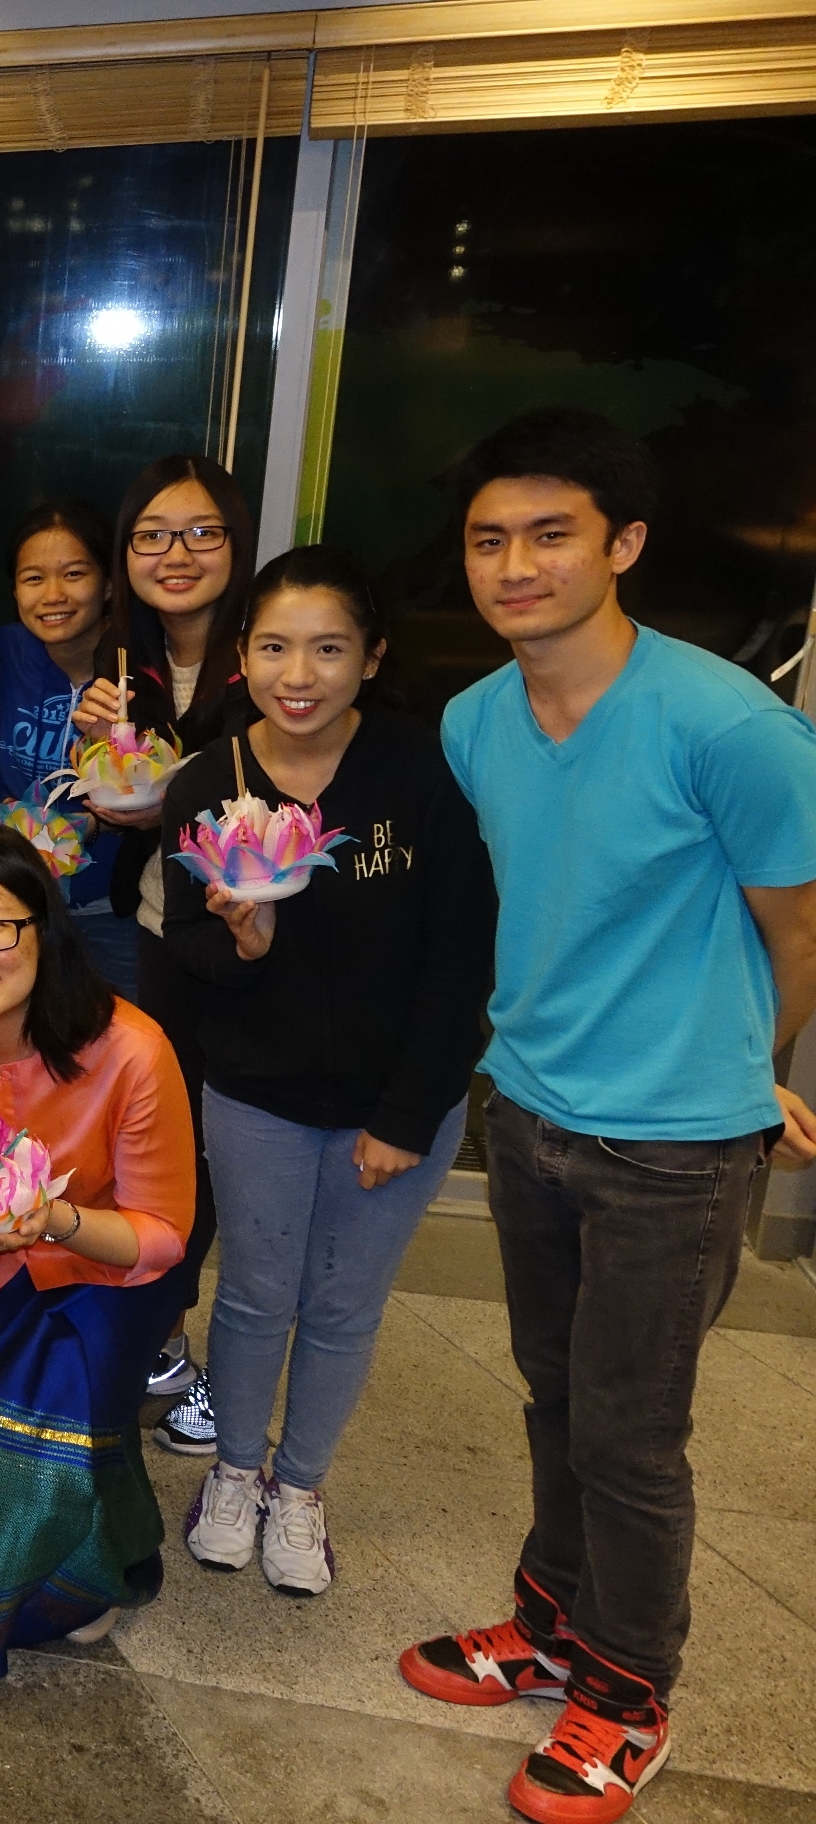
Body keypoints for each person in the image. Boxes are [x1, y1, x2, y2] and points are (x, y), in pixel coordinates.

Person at [400, 408, 816, 1824]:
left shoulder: (728, 724)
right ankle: (550, 1624)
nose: (515, 564)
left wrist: (752, 1073)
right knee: (559, 1396)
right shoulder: (473, 721)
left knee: (633, 1435)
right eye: (488, 539)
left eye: (551, 534)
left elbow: (798, 928)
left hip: (675, 1145)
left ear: (623, 545)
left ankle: (628, 1693)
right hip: (525, 1109)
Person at [160, 547, 495, 1597]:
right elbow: (188, 951)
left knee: (345, 1304)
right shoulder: (207, 782)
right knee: (257, 1295)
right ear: (241, 656)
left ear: (372, 656)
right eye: (272, 646)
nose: (297, 674)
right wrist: (244, 948)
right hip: (255, 1095)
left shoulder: (421, 767)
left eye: (328, 648)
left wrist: (407, 1112)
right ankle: (236, 1473)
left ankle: (300, 1489)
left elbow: (461, 957)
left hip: (399, 1105)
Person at [0, 824, 194, 1700]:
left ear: (41, 929)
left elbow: (163, 1231)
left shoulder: (131, 1050)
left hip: (103, 1270)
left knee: (58, 1435)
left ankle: (93, 1565)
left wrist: (50, 1221)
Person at [66, 455, 261, 1448]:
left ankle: (237, 1369)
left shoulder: (267, 654)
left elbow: (263, 791)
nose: (176, 554)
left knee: (243, 1155)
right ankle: (164, 1336)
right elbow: (119, 801)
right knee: (166, 1143)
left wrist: (163, 769)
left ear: (236, 542)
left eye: (201, 533)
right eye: (151, 536)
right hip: (159, 929)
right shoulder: (123, 661)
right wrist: (88, 753)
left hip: (259, 941)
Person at [0, 500, 139, 993]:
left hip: (109, 903)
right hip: (11, 898)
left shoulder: (137, 665)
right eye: (33, 578)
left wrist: (94, 819)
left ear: (108, 584)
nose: (53, 595)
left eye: (73, 574)